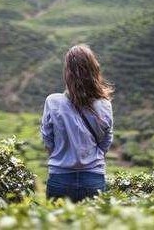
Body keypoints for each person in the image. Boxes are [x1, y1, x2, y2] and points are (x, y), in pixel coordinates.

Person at [40, 44, 114, 203]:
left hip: (60, 179)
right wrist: (91, 157)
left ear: (67, 73)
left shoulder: (53, 102)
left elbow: (47, 139)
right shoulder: (104, 104)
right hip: (93, 179)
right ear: (94, 70)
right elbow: (106, 140)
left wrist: (62, 155)